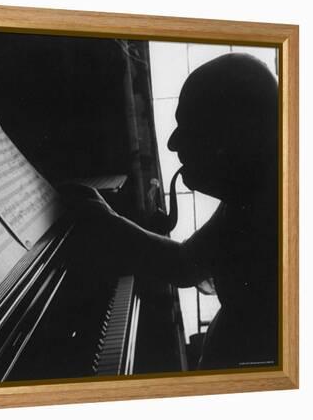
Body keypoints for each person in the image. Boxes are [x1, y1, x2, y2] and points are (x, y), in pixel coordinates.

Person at [68, 53, 279, 370]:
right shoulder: (251, 193)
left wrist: (105, 221)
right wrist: (108, 221)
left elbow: (184, 266)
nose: (171, 142)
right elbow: (186, 264)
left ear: (233, 137)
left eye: (189, 127)